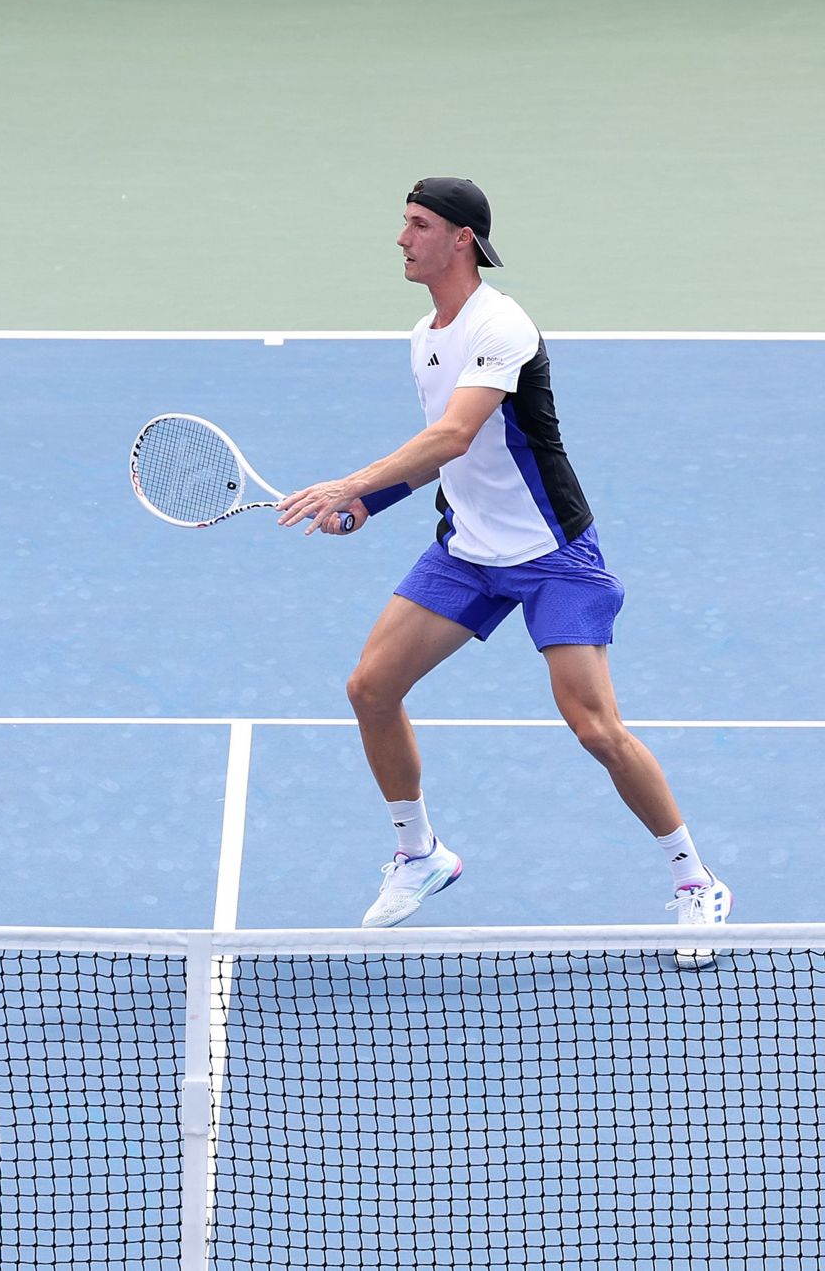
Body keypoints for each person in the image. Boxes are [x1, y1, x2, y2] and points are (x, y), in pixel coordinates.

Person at [275, 177, 731, 941]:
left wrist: (351, 480)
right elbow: (439, 460)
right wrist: (369, 504)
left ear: (462, 238)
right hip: (469, 551)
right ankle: (418, 852)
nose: (401, 238)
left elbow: (455, 434)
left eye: (418, 224)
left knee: (595, 728)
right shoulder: (425, 339)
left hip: (553, 556)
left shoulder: (502, 324)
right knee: (370, 687)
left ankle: (695, 875)